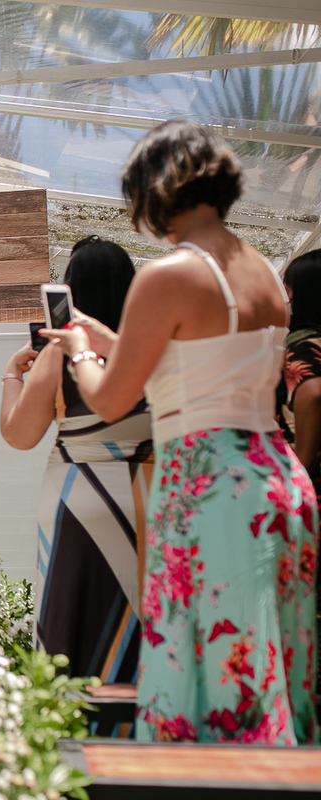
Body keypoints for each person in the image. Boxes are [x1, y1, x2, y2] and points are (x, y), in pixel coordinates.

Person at [43, 119, 317, 745]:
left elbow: (111, 396)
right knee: (264, 673)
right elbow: (200, 364)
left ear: (155, 189)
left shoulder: (169, 275)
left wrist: (79, 350)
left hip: (211, 487)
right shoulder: (265, 273)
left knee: (212, 679)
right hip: (275, 479)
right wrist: (107, 337)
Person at [0, 236, 149, 686]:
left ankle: (76, 713)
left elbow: (19, 434)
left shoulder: (58, 354)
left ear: (71, 291)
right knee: (149, 612)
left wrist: (12, 373)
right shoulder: (152, 350)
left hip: (77, 496)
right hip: (149, 495)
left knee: (75, 616)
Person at [278, 249, 321, 493]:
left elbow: (314, 393)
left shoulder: (303, 345)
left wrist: (303, 466)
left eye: (288, 288)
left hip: (311, 486)